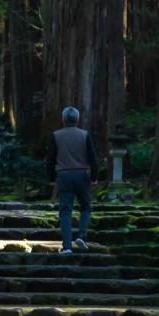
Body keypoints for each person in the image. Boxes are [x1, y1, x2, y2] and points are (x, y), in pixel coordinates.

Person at [46, 106, 98, 255]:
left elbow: (50, 159)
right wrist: (93, 177)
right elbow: (93, 159)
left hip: (64, 176)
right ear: (77, 119)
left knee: (65, 211)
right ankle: (82, 235)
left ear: (63, 119)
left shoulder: (56, 135)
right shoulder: (85, 135)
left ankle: (67, 246)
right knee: (85, 207)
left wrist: (51, 178)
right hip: (82, 175)